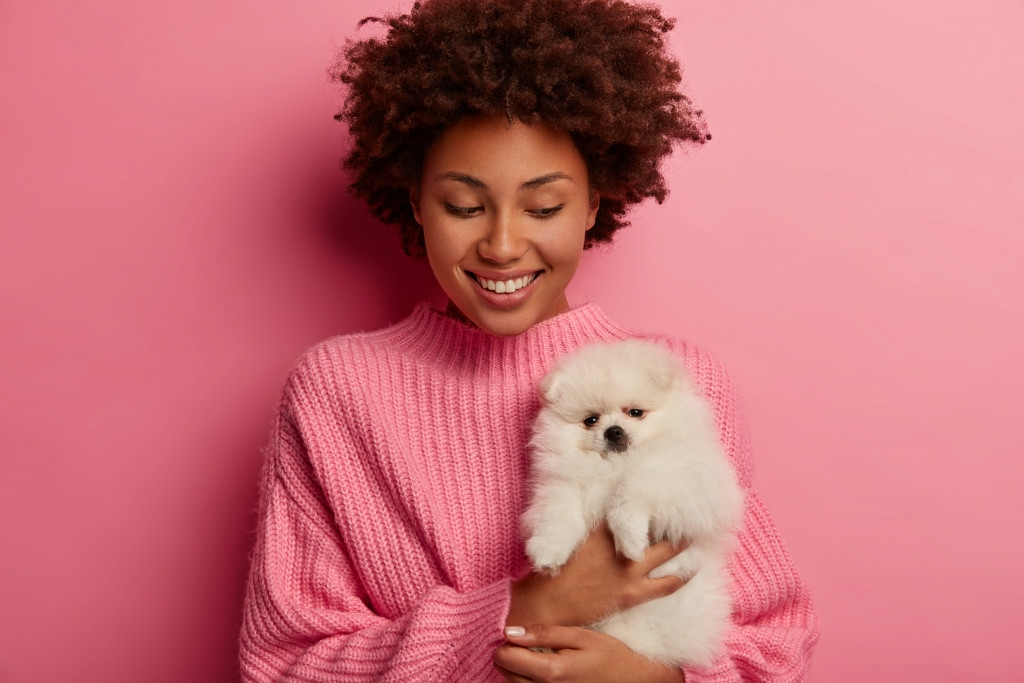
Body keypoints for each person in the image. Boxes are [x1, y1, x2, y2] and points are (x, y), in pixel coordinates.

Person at [239, 0, 819, 680]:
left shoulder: (671, 383)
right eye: (463, 206)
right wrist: (530, 607)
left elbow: (772, 643)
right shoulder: (338, 390)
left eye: (544, 207)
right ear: (416, 198)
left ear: (595, 203)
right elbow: (286, 665)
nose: (504, 244)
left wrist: (652, 677)